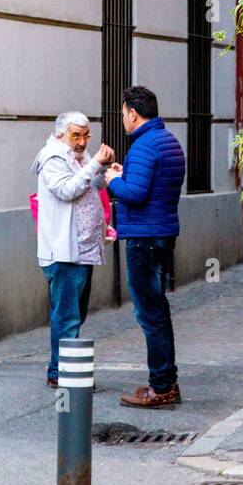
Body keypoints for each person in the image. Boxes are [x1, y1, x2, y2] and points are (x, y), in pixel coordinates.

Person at [106, 85, 186, 408]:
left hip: (144, 239)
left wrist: (114, 181)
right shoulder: (168, 141)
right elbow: (151, 187)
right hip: (162, 234)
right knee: (158, 308)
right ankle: (166, 380)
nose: (123, 119)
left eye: (123, 113)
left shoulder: (142, 146)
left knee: (149, 312)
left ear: (133, 113)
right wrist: (129, 177)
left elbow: (136, 194)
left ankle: (161, 386)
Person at [31, 112, 114, 387]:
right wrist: (93, 166)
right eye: (75, 135)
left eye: (85, 135)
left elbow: (96, 184)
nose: (81, 141)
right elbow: (67, 190)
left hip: (83, 250)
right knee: (67, 315)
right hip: (64, 251)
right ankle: (61, 373)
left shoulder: (79, 155)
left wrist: (106, 168)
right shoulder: (53, 157)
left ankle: (66, 369)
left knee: (75, 313)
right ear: (59, 135)